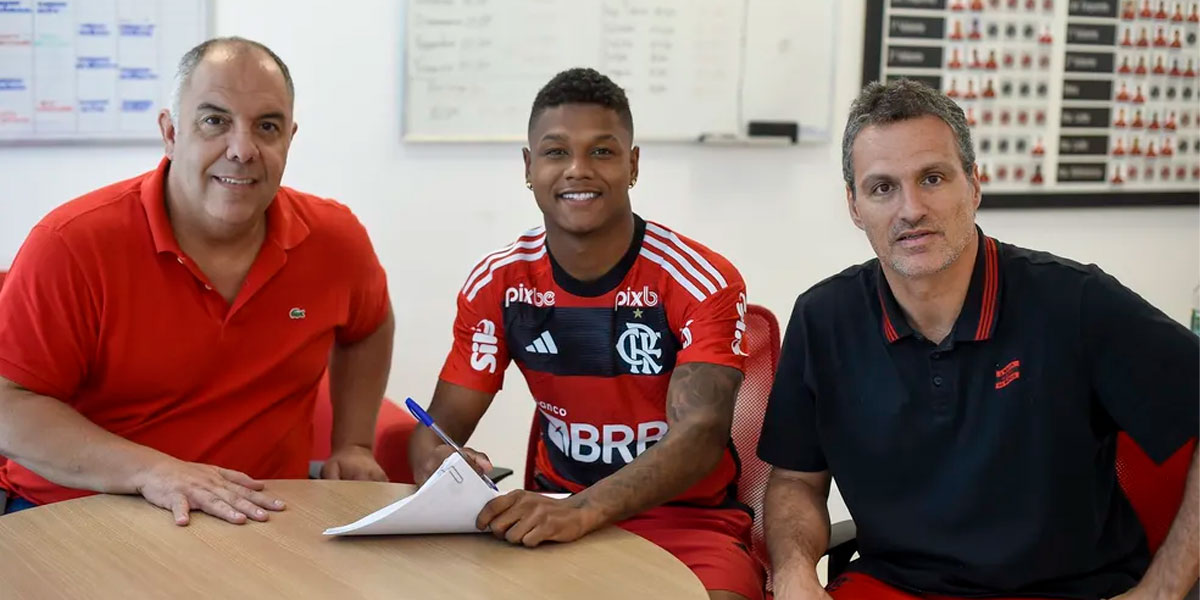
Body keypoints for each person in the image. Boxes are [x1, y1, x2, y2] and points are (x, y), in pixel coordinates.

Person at [757, 78, 1199, 600]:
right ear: (854, 206)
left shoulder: (1076, 302)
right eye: (882, 188)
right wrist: (794, 571)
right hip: (898, 588)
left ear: (974, 185)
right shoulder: (822, 318)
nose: (911, 209)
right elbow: (795, 481)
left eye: (933, 178)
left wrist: (1166, 587)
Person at [0, 37, 394, 525]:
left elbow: (368, 326)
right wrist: (154, 472)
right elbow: (9, 405)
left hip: (260, 518)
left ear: (289, 139)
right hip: (77, 514)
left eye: (266, 127)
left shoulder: (336, 239)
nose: (242, 149)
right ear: (170, 132)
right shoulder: (71, 243)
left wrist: (353, 442)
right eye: (215, 121)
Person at [407, 68, 764, 600]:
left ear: (633, 165)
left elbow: (699, 438)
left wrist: (582, 510)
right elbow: (435, 428)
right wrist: (441, 460)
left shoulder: (700, 279)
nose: (578, 170)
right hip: (555, 518)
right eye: (555, 152)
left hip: (686, 525)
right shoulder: (497, 284)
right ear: (529, 168)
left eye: (602, 152)